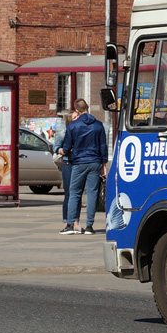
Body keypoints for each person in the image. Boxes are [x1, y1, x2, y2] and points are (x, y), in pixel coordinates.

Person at [61, 99, 109, 235]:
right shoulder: (98, 125)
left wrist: (63, 151)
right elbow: (103, 146)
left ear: (76, 110)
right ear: (88, 106)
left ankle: (71, 224)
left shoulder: (73, 125)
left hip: (79, 162)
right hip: (95, 161)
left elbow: (66, 146)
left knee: (74, 192)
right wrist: (103, 164)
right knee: (92, 193)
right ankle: (89, 226)